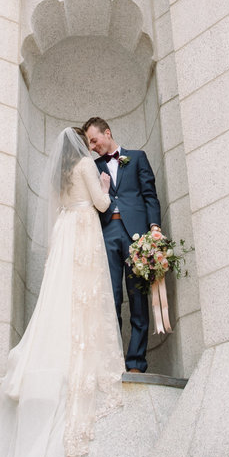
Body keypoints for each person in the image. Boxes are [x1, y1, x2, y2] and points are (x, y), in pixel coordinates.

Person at [0, 127, 124, 457]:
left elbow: (64, 205)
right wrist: (106, 188)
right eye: (87, 142)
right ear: (80, 144)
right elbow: (102, 205)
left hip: (64, 232)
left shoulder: (61, 174)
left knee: (60, 296)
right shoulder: (86, 167)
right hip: (84, 230)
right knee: (85, 294)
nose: (90, 147)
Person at [82, 117, 161, 374]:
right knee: (110, 300)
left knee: (138, 299)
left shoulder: (137, 157)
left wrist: (154, 229)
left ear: (107, 132)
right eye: (89, 143)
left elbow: (149, 195)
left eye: (94, 140)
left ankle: (136, 363)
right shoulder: (92, 167)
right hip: (106, 235)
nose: (93, 146)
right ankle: (113, 362)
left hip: (136, 236)